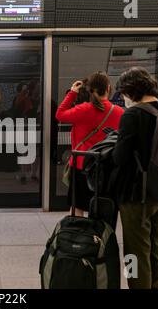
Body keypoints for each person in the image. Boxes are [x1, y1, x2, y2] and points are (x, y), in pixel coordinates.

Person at [112, 66, 158, 289]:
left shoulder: (133, 115)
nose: (123, 98)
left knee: (134, 252)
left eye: (123, 93)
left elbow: (120, 157)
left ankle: (136, 286)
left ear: (130, 90)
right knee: (155, 245)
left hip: (136, 196)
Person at [56, 71, 124, 217]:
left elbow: (59, 114)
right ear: (108, 88)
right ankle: (98, 237)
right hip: (106, 168)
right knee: (102, 207)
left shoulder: (84, 109)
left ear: (89, 89)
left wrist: (72, 93)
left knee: (77, 207)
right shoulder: (119, 112)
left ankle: (79, 236)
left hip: (82, 165)